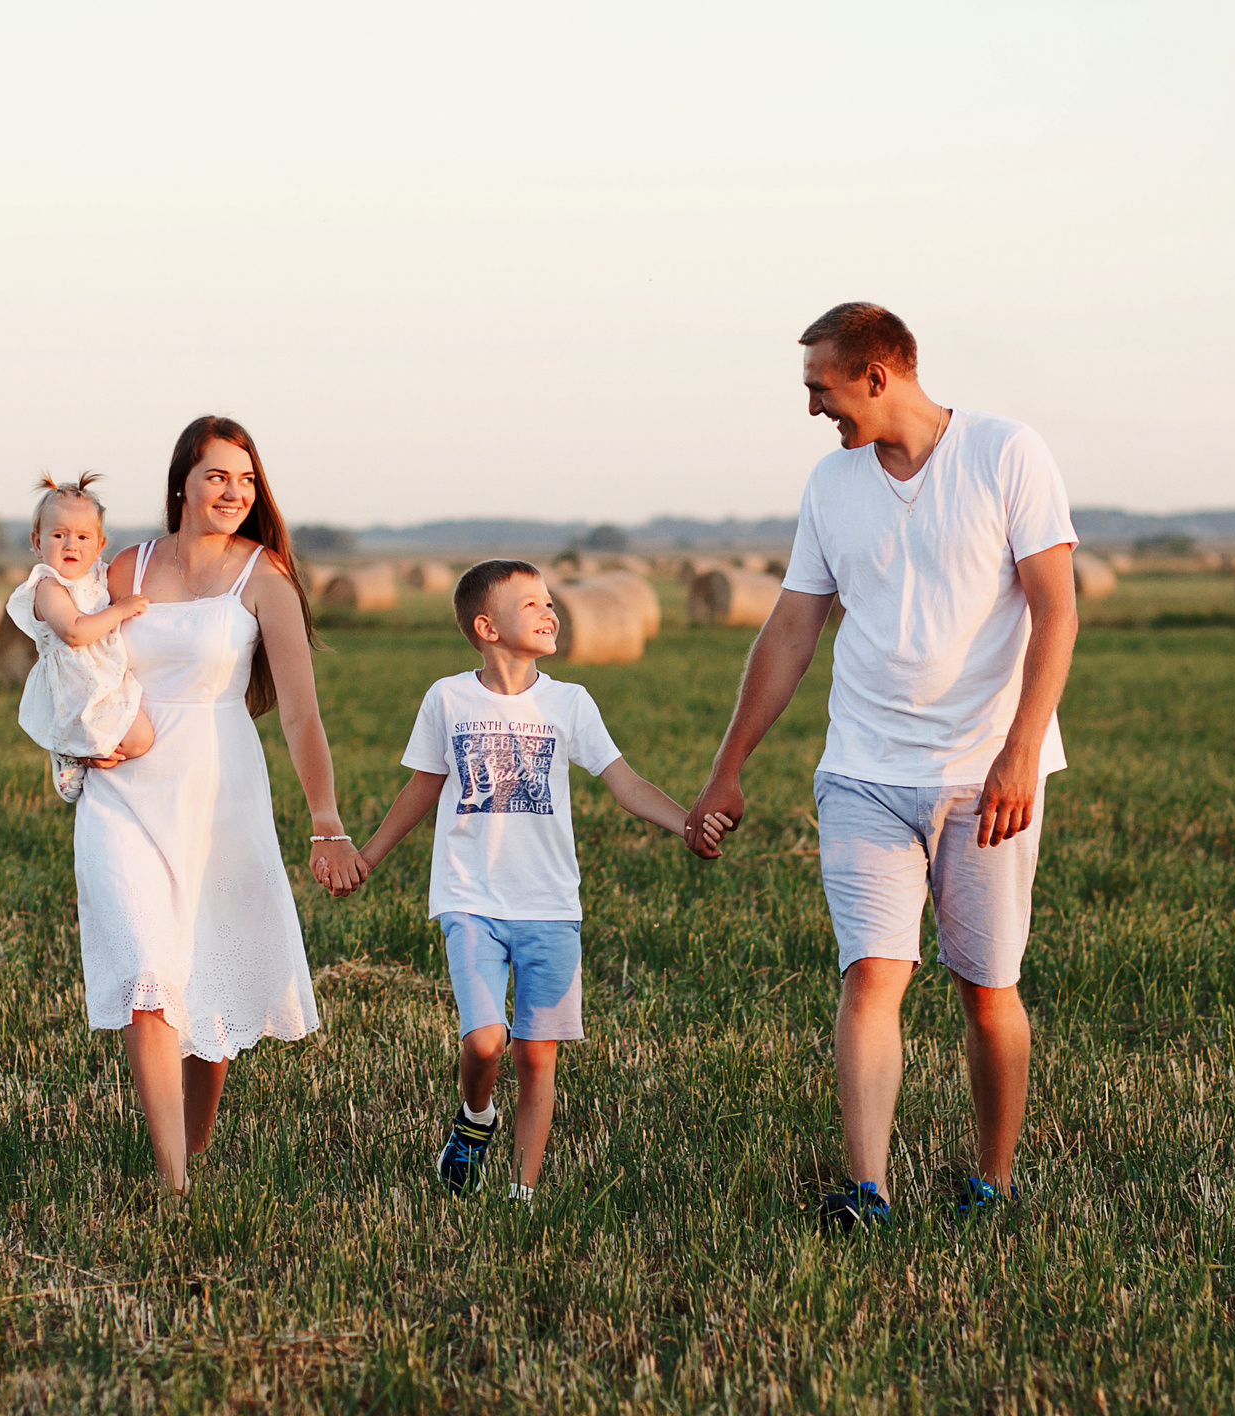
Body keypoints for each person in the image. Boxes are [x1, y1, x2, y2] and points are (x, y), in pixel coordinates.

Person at [685, 302, 1080, 1229]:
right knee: (872, 972)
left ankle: (993, 1181)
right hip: (861, 769)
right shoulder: (831, 484)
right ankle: (867, 1190)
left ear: (876, 376)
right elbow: (790, 631)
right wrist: (727, 765)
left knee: (987, 990)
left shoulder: (1007, 453)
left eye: (820, 387)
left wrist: (1021, 750)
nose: (814, 408)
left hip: (982, 774)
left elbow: (1055, 610)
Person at [352, 560, 722, 1203]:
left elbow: (624, 780)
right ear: (486, 626)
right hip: (470, 898)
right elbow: (422, 787)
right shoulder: (447, 698)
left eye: (551, 601)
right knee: (486, 1039)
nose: (550, 612)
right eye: (532, 604)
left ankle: (522, 1193)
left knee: (536, 1056)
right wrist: (368, 857)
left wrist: (685, 823)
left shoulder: (569, 702)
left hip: (550, 904)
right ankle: (475, 1117)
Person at [73, 416, 366, 1195]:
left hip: (218, 795)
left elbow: (301, 713)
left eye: (245, 479)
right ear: (182, 482)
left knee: (207, 981)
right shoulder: (125, 567)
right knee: (147, 977)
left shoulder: (262, 576)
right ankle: (173, 1186)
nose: (234, 492)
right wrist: (71, 744)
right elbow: (71, 662)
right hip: (120, 793)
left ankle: (191, 1149)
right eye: (217, 476)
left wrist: (326, 821)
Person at [5, 471, 155, 802]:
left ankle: (83, 750)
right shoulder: (48, 586)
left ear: (100, 545)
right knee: (139, 739)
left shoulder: (98, 576)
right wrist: (120, 611)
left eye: (84, 538)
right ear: (37, 543)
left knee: (141, 736)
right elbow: (74, 631)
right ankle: (69, 750)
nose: (71, 544)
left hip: (101, 678)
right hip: (76, 685)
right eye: (59, 535)